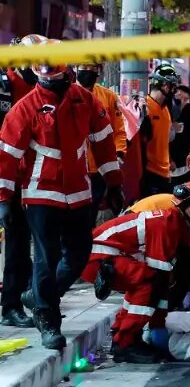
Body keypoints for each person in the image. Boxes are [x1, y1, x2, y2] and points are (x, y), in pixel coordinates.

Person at [0, 38, 124, 349]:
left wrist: (114, 182)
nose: (49, 80)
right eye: (45, 75)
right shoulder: (24, 108)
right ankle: (48, 321)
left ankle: (40, 297)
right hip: (41, 193)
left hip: (79, 192)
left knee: (80, 253)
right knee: (46, 256)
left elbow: (103, 141)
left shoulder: (85, 101)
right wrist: (3, 199)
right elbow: (7, 156)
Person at [80, 182, 190, 363]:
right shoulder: (168, 223)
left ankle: (123, 335)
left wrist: (158, 323)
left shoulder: (174, 222)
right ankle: (125, 343)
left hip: (99, 255)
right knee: (148, 282)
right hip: (98, 259)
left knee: (147, 281)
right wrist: (157, 324)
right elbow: (159, 277)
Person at [0, 35, 42, 328]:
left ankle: (14, 303)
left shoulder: (41, 88)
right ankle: (12, 305)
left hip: (27, 180)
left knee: (20, 243)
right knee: (17, 243)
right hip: (7, 177)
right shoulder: (5, 85)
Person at [75, 63, 128, 225]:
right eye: (84, 67)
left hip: (100, 170)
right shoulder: (66, 95)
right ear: (76, 68)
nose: (88, 71)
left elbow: (119, 130)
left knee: (95, 215)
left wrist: (119, 153)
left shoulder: (108, 97)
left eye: (92, 68)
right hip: (75, 169)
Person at [140, 63, 180, 196]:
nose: (173, 90)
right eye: (171, 85)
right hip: (149, 173)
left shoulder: (166, 110)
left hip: (165, 173)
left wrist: (170, 160)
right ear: (163, 84)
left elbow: (164, 140)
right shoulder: (145, 108)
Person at [169, 85, 190, 185]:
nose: (181, 101)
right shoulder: (165, 114)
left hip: (186, 167)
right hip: (166, 166)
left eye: (185, 99)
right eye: (179, 97)